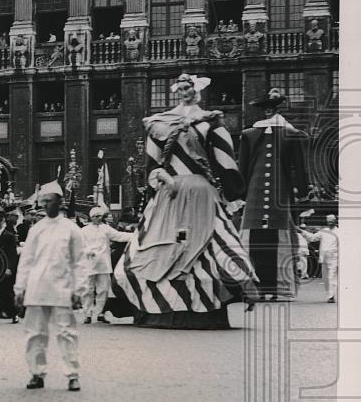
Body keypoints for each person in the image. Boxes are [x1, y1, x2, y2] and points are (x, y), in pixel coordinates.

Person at [111, 73, 257, 328]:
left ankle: (188, 299)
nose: (185, 90)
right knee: (157, 242)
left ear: (197, 89)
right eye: (182, 86)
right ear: (177, 89)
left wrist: (234, 191)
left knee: (205, 242)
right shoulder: (159, 123)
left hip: (197, 193)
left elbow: (225, 161)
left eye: (189, 86)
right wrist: (161, 179)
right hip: (172, 191)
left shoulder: (210, 122)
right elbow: (153, 165)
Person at [13, 182, 86, 391]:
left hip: (63, 288)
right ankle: (36, 373)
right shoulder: (37, 229)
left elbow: (79, 261)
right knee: (35, 332)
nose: (45, 205)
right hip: (36, 288)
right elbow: (26, 260)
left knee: (67, 332)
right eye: (43, 201)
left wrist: (78, 289)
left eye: (49, 201)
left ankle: (72, 374)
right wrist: (20, 289)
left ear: (59, 202)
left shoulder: (71, 229)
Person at [238, 88, 309, 302]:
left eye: (271, 109)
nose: (268, 112)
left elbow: (299, 163)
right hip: (261, 197)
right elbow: (243, 167)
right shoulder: (250, 135)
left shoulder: (287, 133)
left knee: (268, 239)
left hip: (268, 196)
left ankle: (271, 287)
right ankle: (261, 287)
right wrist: (303, 191)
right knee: (260, 239)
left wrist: (239, 193)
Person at [79, 205, 134, 324]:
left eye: (100, 216)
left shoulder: (106, 228)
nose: (99, 218)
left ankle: (99, 313)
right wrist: (87, 251)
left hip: (103, 264)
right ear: (91, 217)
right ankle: (87, 313)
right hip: (89, 264)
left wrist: (135, 236)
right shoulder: (84, 230)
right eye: (96, 216)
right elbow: (79, 245)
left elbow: (119, 236)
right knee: (87, 289)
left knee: (103, 289)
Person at [301, 215, 339, 303]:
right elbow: (312, 238)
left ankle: (331, 296)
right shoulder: (324, 231)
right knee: (325, 278)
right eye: (328, 220)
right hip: (324, 257)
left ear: (335, 221)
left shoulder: (340, 231)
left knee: (332, 276)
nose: (330, 222)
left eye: (332, 220)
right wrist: (302, 232)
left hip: (335, 257)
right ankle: (330, 294)